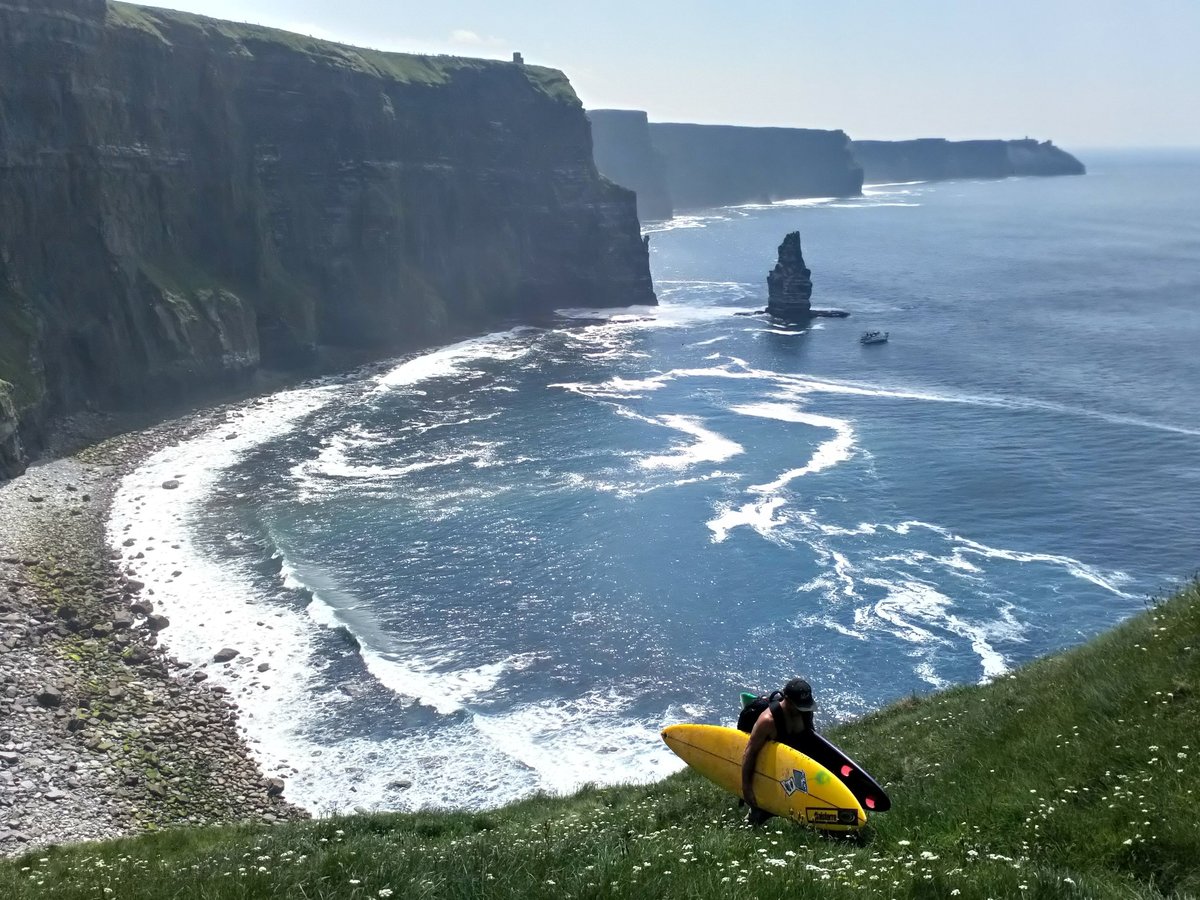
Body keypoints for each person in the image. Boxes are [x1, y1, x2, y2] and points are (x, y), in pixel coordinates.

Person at [740, 677, 817, 825]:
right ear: (786, 699)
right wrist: (747, 787)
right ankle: (752, 819)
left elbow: (811, 740)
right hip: (771, 771)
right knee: (761, 815)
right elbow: (750, 752)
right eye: (799, 706)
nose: (803, 709)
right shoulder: (768, 721)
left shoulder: (805, 712)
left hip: (796, 768)